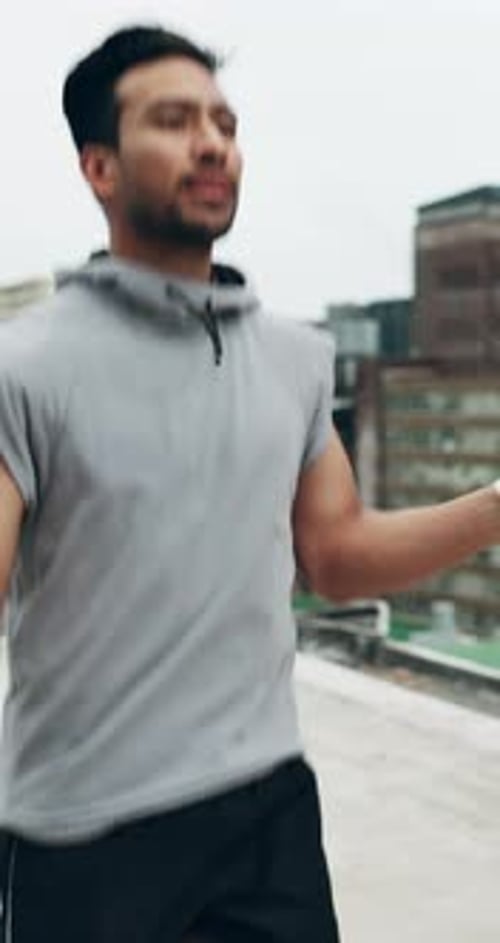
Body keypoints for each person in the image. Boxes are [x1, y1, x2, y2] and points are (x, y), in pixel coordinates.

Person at [0, 24, 498, 943]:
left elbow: (337, 556)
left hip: (269, 814)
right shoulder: (22, 366)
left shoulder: (297, 357)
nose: (213, 142)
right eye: (175, 120)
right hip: (84, 833)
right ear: (99, 167)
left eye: (224, 122)